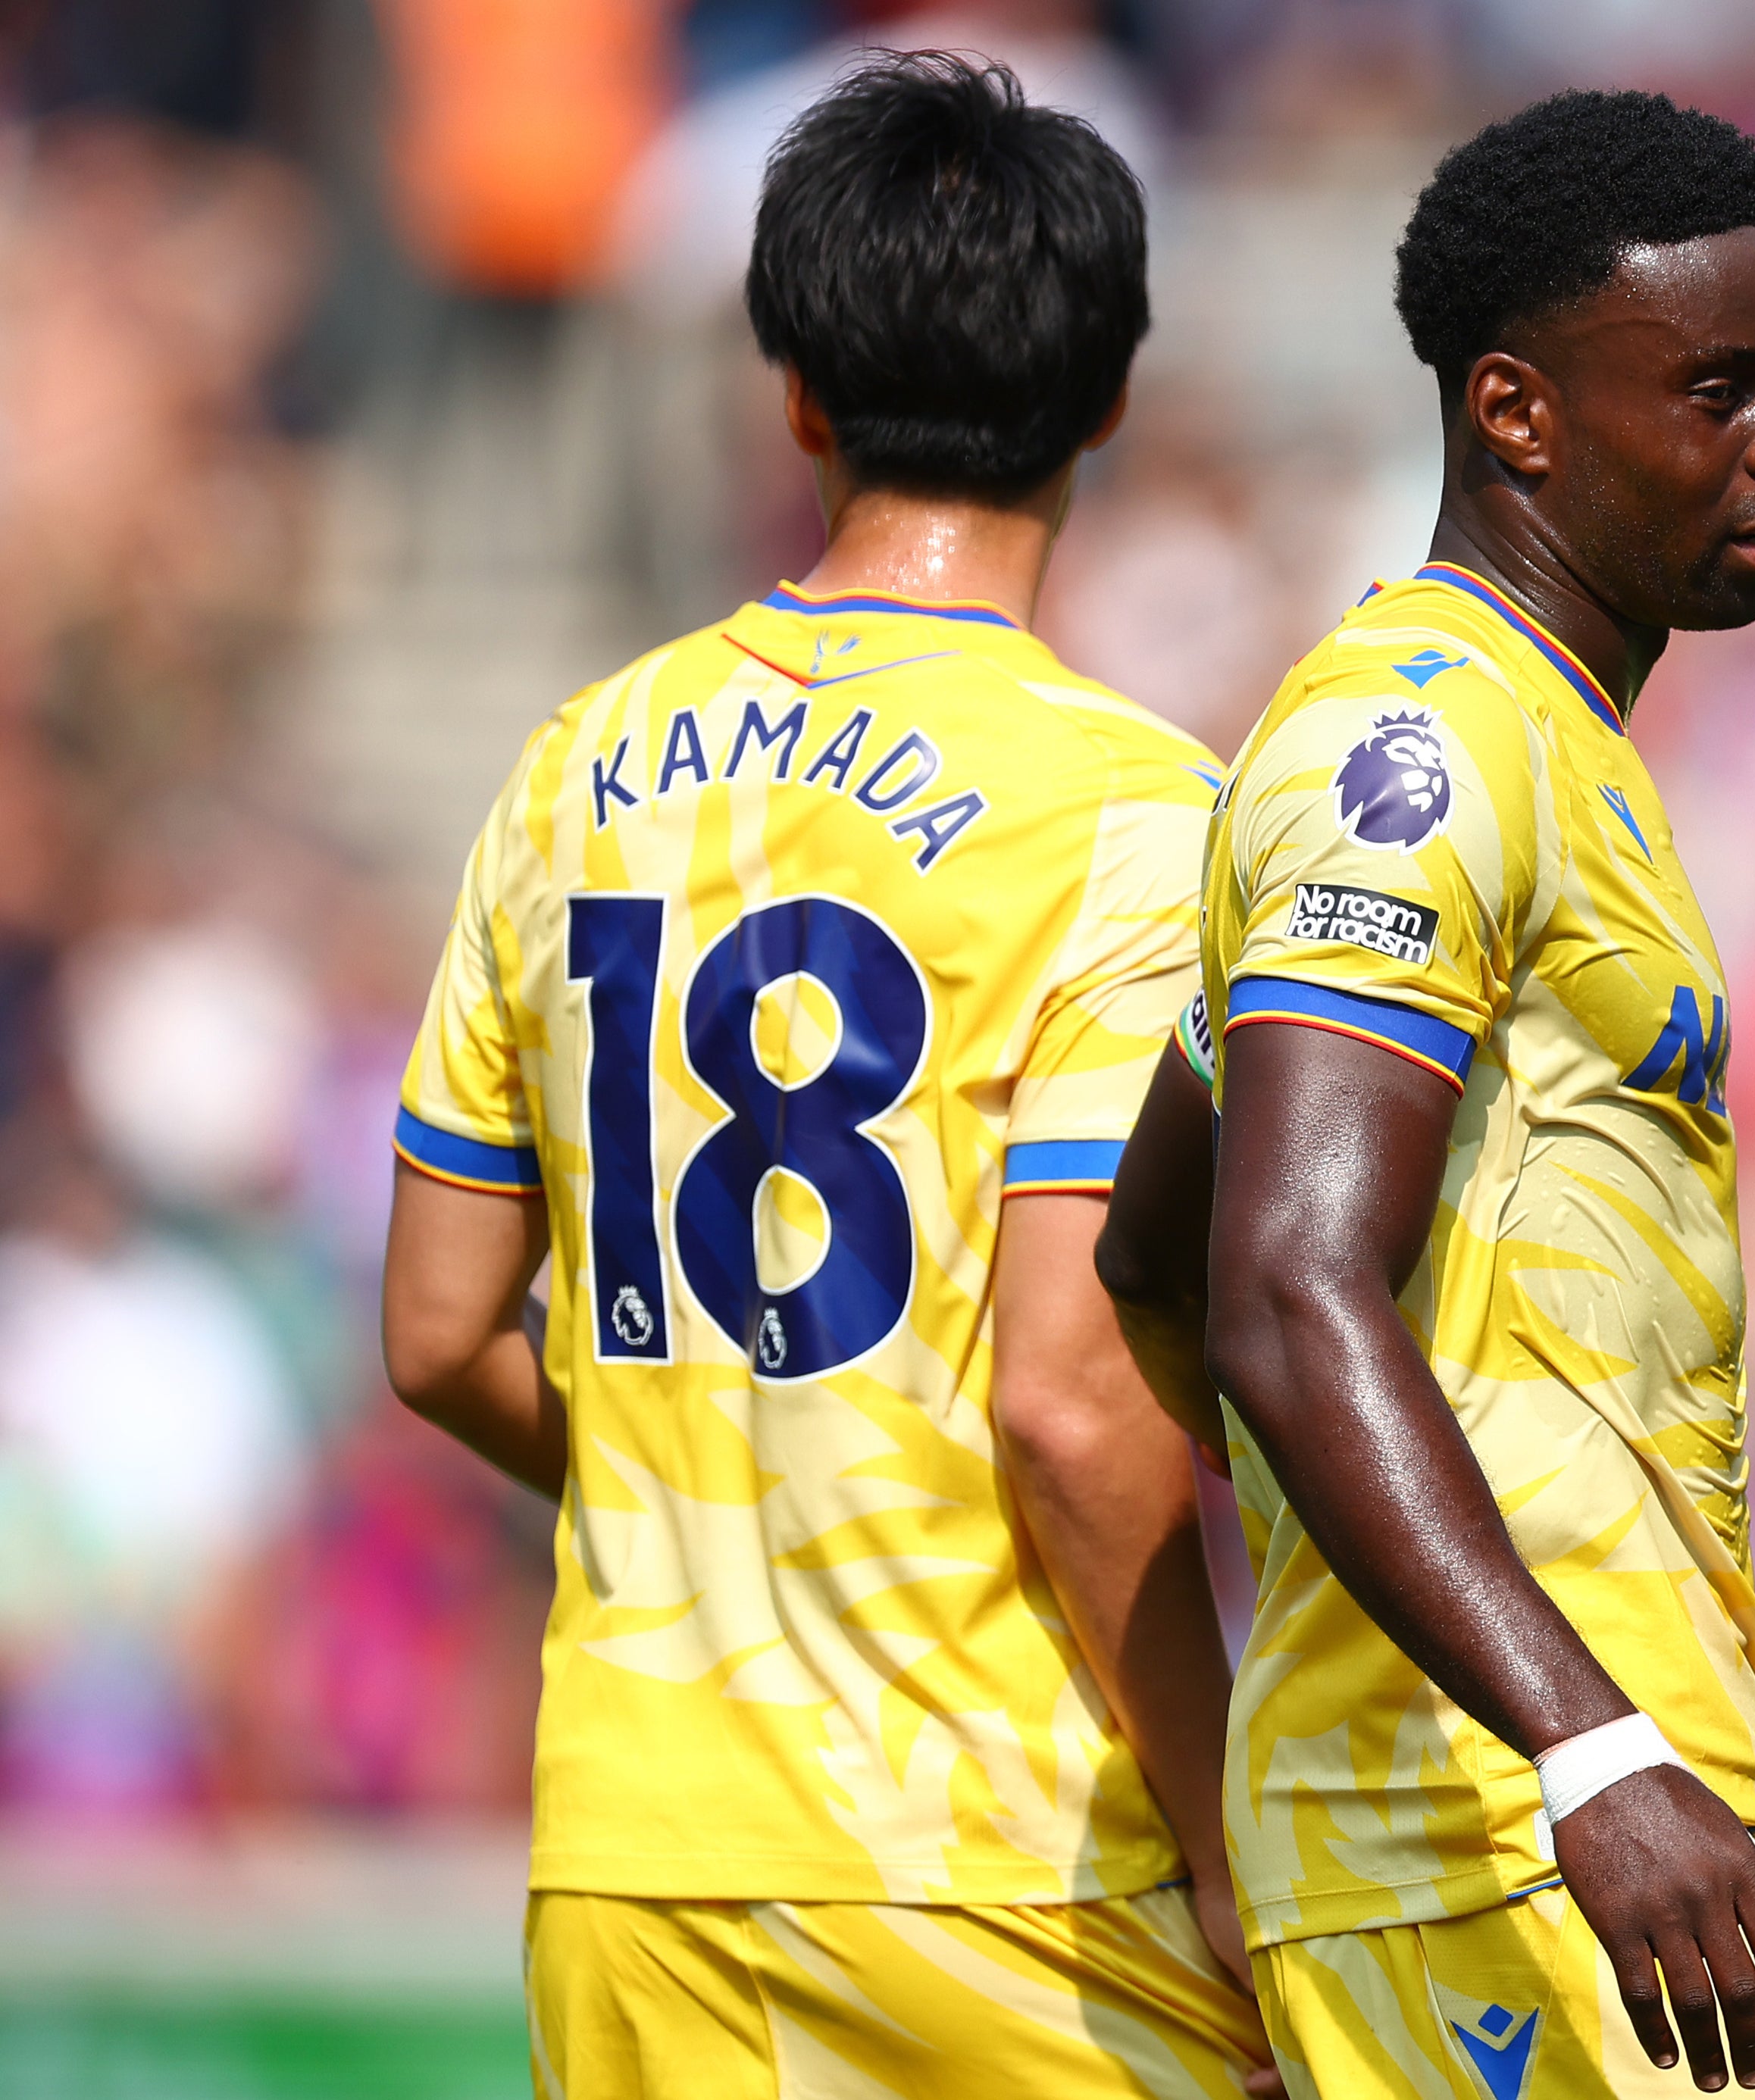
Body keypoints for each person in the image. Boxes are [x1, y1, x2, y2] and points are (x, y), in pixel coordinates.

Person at [375, 56, 1276, 2100]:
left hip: (634, 1862)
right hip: (994, 1868)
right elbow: (1067, 1400)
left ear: (791, 393)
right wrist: (1227, 1841)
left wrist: (724, 1489)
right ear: (1112, 400)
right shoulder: (1140, 817)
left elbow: (438, 1333)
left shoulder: (574, 769)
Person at [1097, 89, 1755, 2100]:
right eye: (1717, 391)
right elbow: (1273, 1281)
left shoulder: (1533, 736)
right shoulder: (1410, 742)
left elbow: (1159, 1237)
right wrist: (1588, 1746)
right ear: (1514, 414)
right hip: (1529, 1844)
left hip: (1515, 1830)